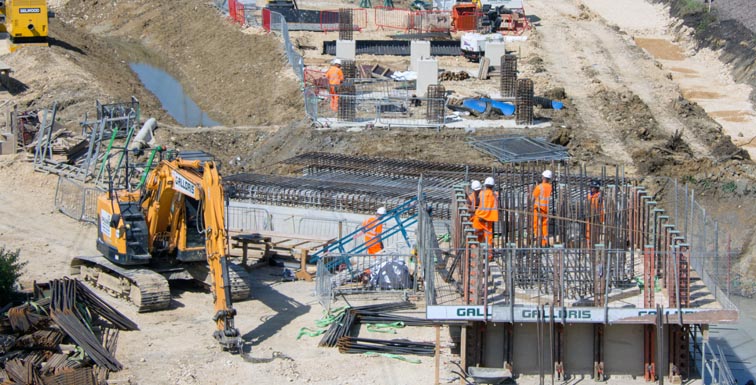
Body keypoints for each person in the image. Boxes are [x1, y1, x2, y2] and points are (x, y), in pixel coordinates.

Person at [474, 177, 499, 255]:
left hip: (480, 218)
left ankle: (474, 255)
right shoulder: (495, 195)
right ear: (493, 185)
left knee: (475, 236)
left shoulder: (481, 193)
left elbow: (478, 202)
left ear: (485, 185)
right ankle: (489, 256)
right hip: (489, 220)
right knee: (489, 239)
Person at [532, 170, 553, 247]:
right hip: (546, 209)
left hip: (538, 209)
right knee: (544, 226)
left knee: (537, 225)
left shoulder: (539, 187)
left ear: (543, 177)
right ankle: (545, 242)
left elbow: (533, 197)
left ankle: (539, 241)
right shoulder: (550, 187)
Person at [586, 179, 603, 247]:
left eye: (594, 188)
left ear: (597, 188)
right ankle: (588, 247)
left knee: (595, 232)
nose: (592, 189)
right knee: (588, 232)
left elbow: (601, 208)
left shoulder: (599, 196)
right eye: (591, 187)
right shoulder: (589, 196)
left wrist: (600, 219)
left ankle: (595, 247)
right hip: (589, 216)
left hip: (597, 217)